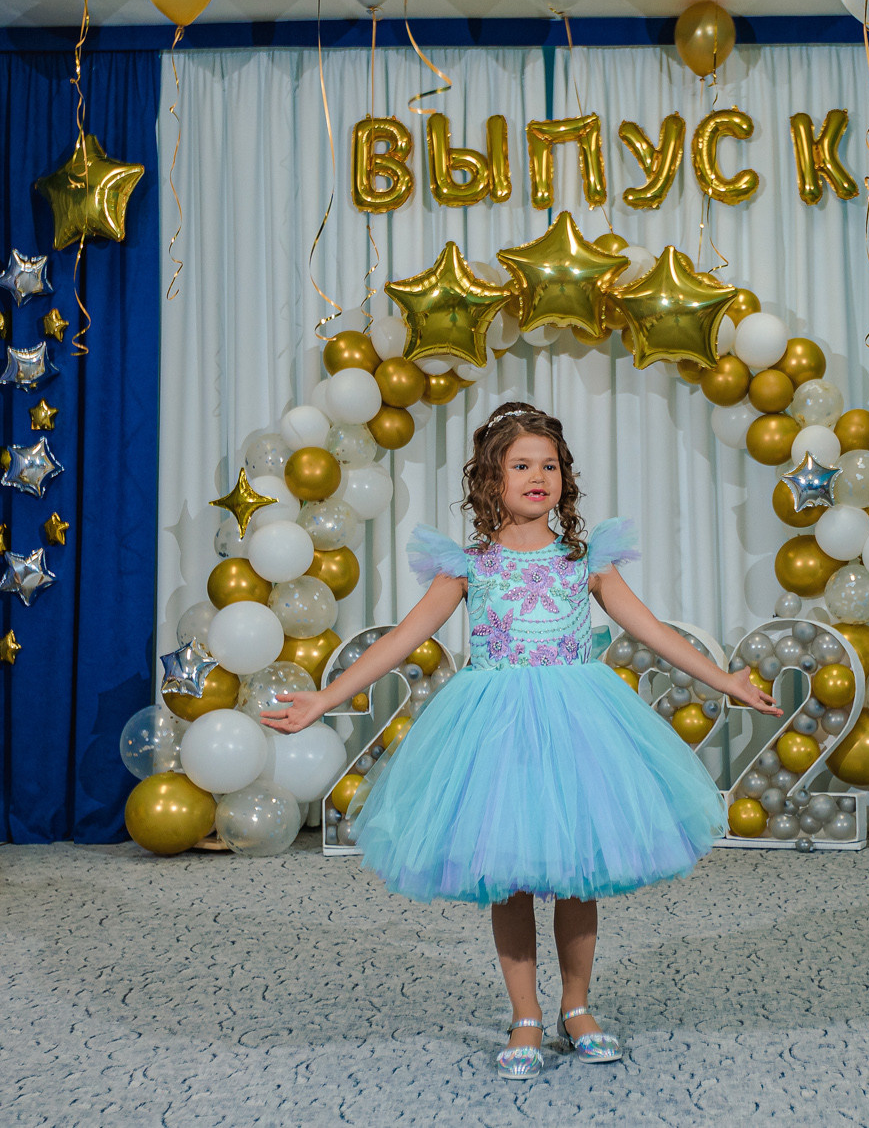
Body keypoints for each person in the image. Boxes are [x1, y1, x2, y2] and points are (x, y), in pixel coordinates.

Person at [262, 402, 781, 1079]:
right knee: (505, 875)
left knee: (577, 870)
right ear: (491, 478)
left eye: (550, 464)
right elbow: (402, 639)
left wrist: (725, 679)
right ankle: (525, 1015)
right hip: (497, 727)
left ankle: (578, 1005)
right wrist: (325, 698)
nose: (538, 475)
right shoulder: (470, 564)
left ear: (565, 476)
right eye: (521, 465)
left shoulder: (585, 558)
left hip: (578, 722)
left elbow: (650, 629)